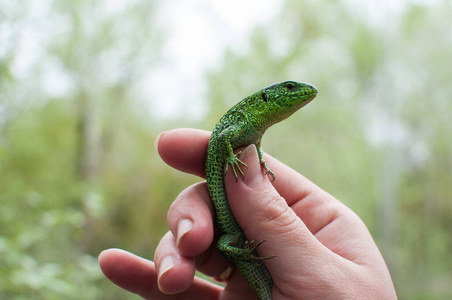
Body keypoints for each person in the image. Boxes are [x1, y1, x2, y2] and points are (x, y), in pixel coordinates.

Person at [98, 128, 397, 299]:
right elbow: (225, 136)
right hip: (232, 233)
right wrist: (231, 157)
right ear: (268, 97)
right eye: (290, 88)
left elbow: (249, 142)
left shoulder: (254, 133)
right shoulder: (243, 123)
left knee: (209, 237)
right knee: (211, 238)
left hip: (234, 234)